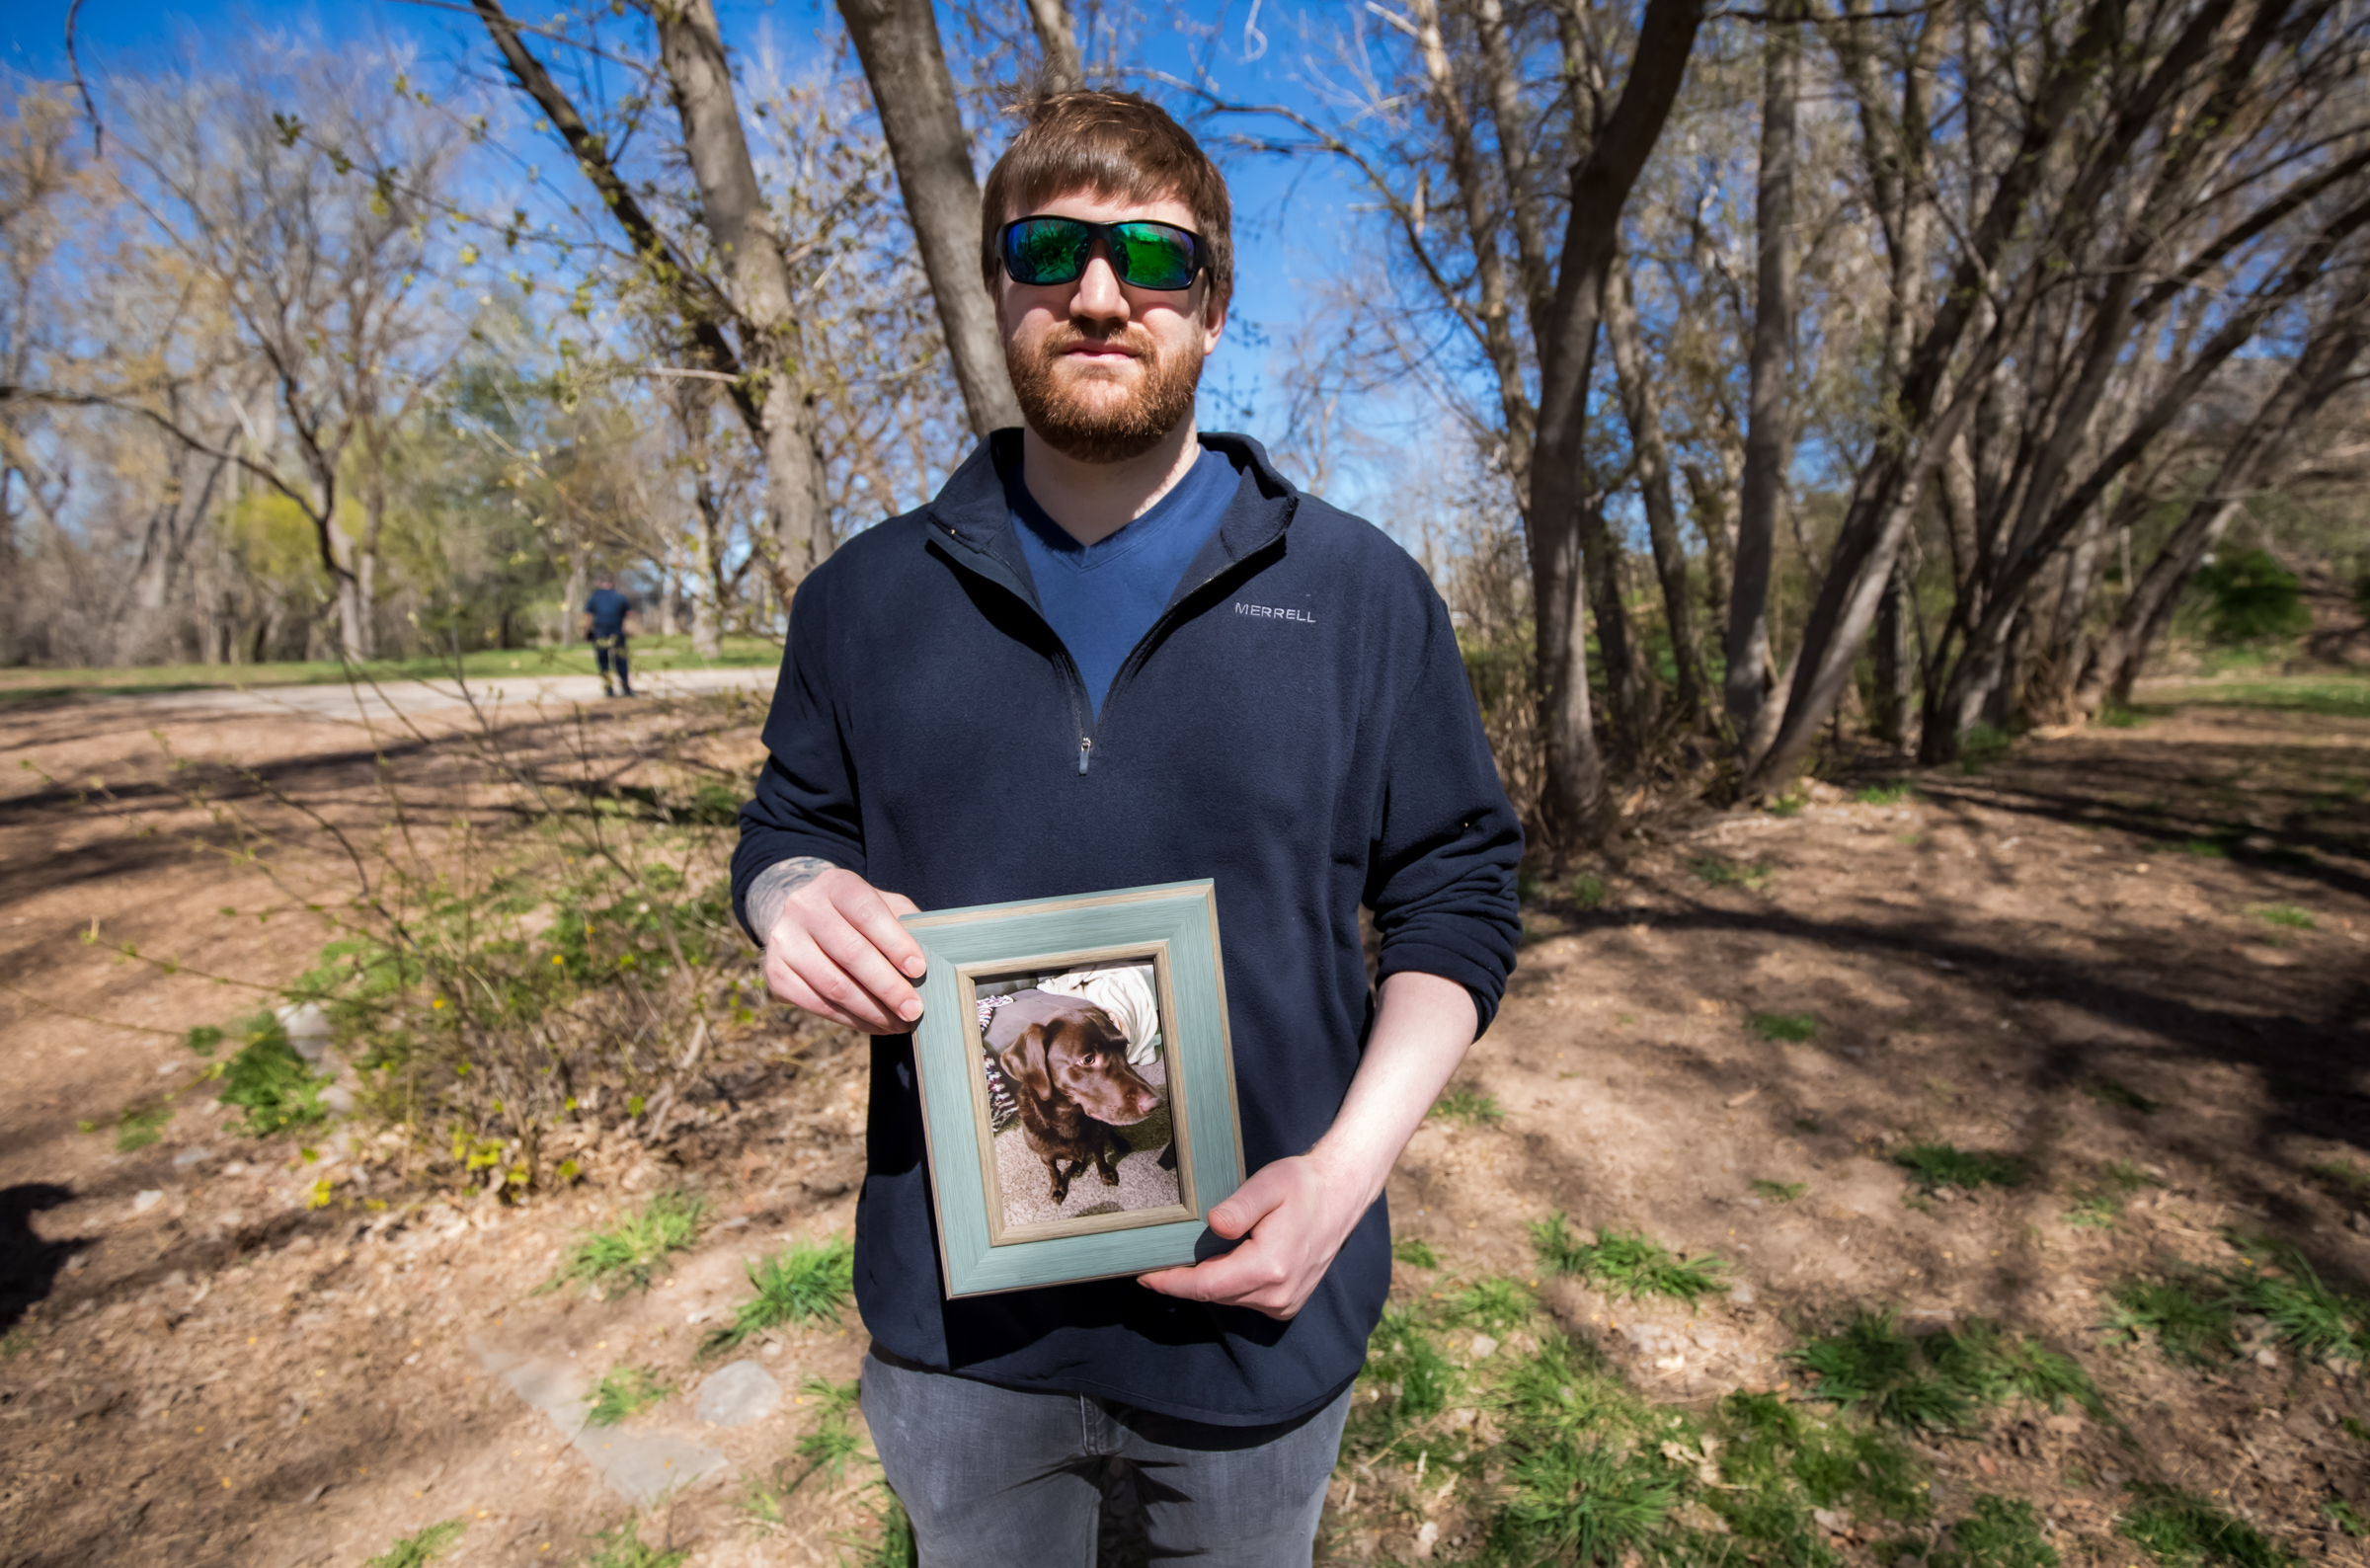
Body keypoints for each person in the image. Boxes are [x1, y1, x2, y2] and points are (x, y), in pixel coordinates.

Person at [732, 90, 1522, 1567]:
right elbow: (787, 827)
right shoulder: (861, 602)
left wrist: (1348, 1176)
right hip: (959, 1337)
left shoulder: (1360, 596)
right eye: (1053, 248)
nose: (1101, 294)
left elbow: (1458, 893)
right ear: (998, 292)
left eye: (1153, 260)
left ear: (1212, 308)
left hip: (1258, 1314)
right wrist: (788, 900)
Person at [581, 575, 636, 697]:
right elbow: (628, 614)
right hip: (617, 632)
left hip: (600, 633)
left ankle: (608, 688)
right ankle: (626, 688)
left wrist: (585, 633)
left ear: (601, 584)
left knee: (603, 661)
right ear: (612, 584)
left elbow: (588, 617)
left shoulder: (594, 598)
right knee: (621, 660)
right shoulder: (620, 597)